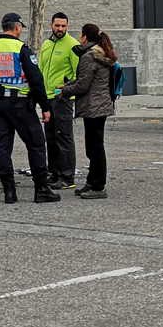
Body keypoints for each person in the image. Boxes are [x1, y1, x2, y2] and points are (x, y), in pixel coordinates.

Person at [0, 12, 60, 204]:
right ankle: (42, 190)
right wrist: (45, 106)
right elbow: (36, 79)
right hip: (21, 105)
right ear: (16, 27)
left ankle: (9, 192)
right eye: (20, 27)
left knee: (3, 147)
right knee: (36, 145)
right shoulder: (21, 49)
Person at [58, 24, 117, 199]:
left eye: (80, 35)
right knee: (94, 146)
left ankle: (98, 186)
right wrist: (69, 84)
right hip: (100, 105)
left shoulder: (89, 56)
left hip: (94, 107)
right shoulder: (100, 52)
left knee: (95, 148)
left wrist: (65, 91)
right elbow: (85, 79)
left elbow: (83, 85)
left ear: (84, 37)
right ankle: (92, 182)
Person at [39, 12, 80, 190]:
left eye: (63, 26)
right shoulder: (46, 44)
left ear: (67, 26)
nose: (60, 29)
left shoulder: (73, 45)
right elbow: (41, 70)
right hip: (47, 98)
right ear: (51, 25)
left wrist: (64, 89)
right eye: (57, 25)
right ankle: (54, 173)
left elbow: (79, 74)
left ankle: (67, 176)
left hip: (62, 98)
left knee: (64, 137)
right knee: (50, 137)